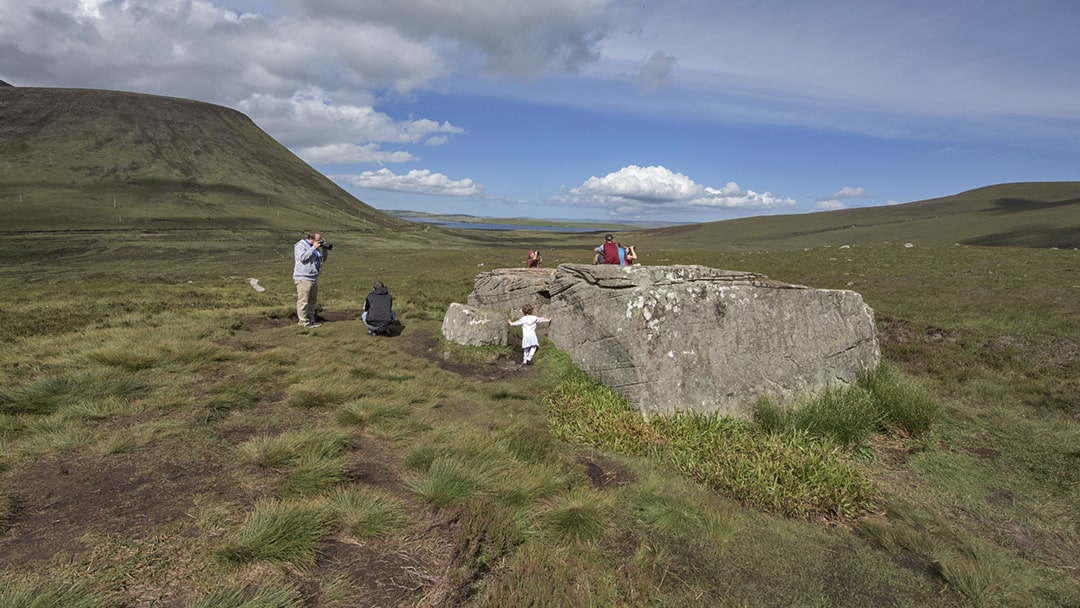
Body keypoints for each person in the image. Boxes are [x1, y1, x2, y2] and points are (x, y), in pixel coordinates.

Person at [293, 231, 328, 328]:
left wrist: (324, 250)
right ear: (311, 239)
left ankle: (311, 320)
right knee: (303, 301)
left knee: (312, 301)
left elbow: (322, 260)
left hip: (313, 277)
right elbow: (302, 257)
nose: (320, 241)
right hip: (303, 277)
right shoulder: (300, 245)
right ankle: (303, 322)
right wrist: (313, 248)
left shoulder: (316, 248)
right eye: (318, 240)